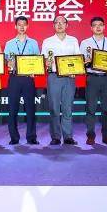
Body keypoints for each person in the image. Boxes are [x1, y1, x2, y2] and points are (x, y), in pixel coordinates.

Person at [41, 15, 80, 145]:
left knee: (68, 107)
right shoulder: (47, 41)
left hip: (69, 77)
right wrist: (46, 62)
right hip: (54, 77)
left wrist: (75, 70)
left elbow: (77, 58)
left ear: (66, 25)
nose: (59, 25)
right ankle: (56, 137)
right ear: (53, 25)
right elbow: (43, 59)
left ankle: (68, 136)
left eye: (62, 22)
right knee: (54, 108)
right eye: (57, 22)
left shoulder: (73, 40)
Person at [79, 16, 107, 145]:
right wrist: (87, 62)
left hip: (106, 78)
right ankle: (90, 136)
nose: (98, 27)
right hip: (92, 78)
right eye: (95, 25)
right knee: (91, 108)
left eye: (100, 25)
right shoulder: (85, 43)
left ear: (104, 27)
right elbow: (81, 62)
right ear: (91, 28)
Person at [4, 16, 40, 145]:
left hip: (28, 79)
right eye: (19, 24)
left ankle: (31, 137)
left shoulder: (33, 43)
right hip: (14, 78)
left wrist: (34, 69)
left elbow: (37, 60)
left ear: (27, 26)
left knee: (30, 109)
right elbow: (6, 60)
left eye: (24, 24)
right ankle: (14, 137)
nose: (22, 27)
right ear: (15, 26)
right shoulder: (9, 43)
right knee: (12, 109)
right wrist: (8, 63)